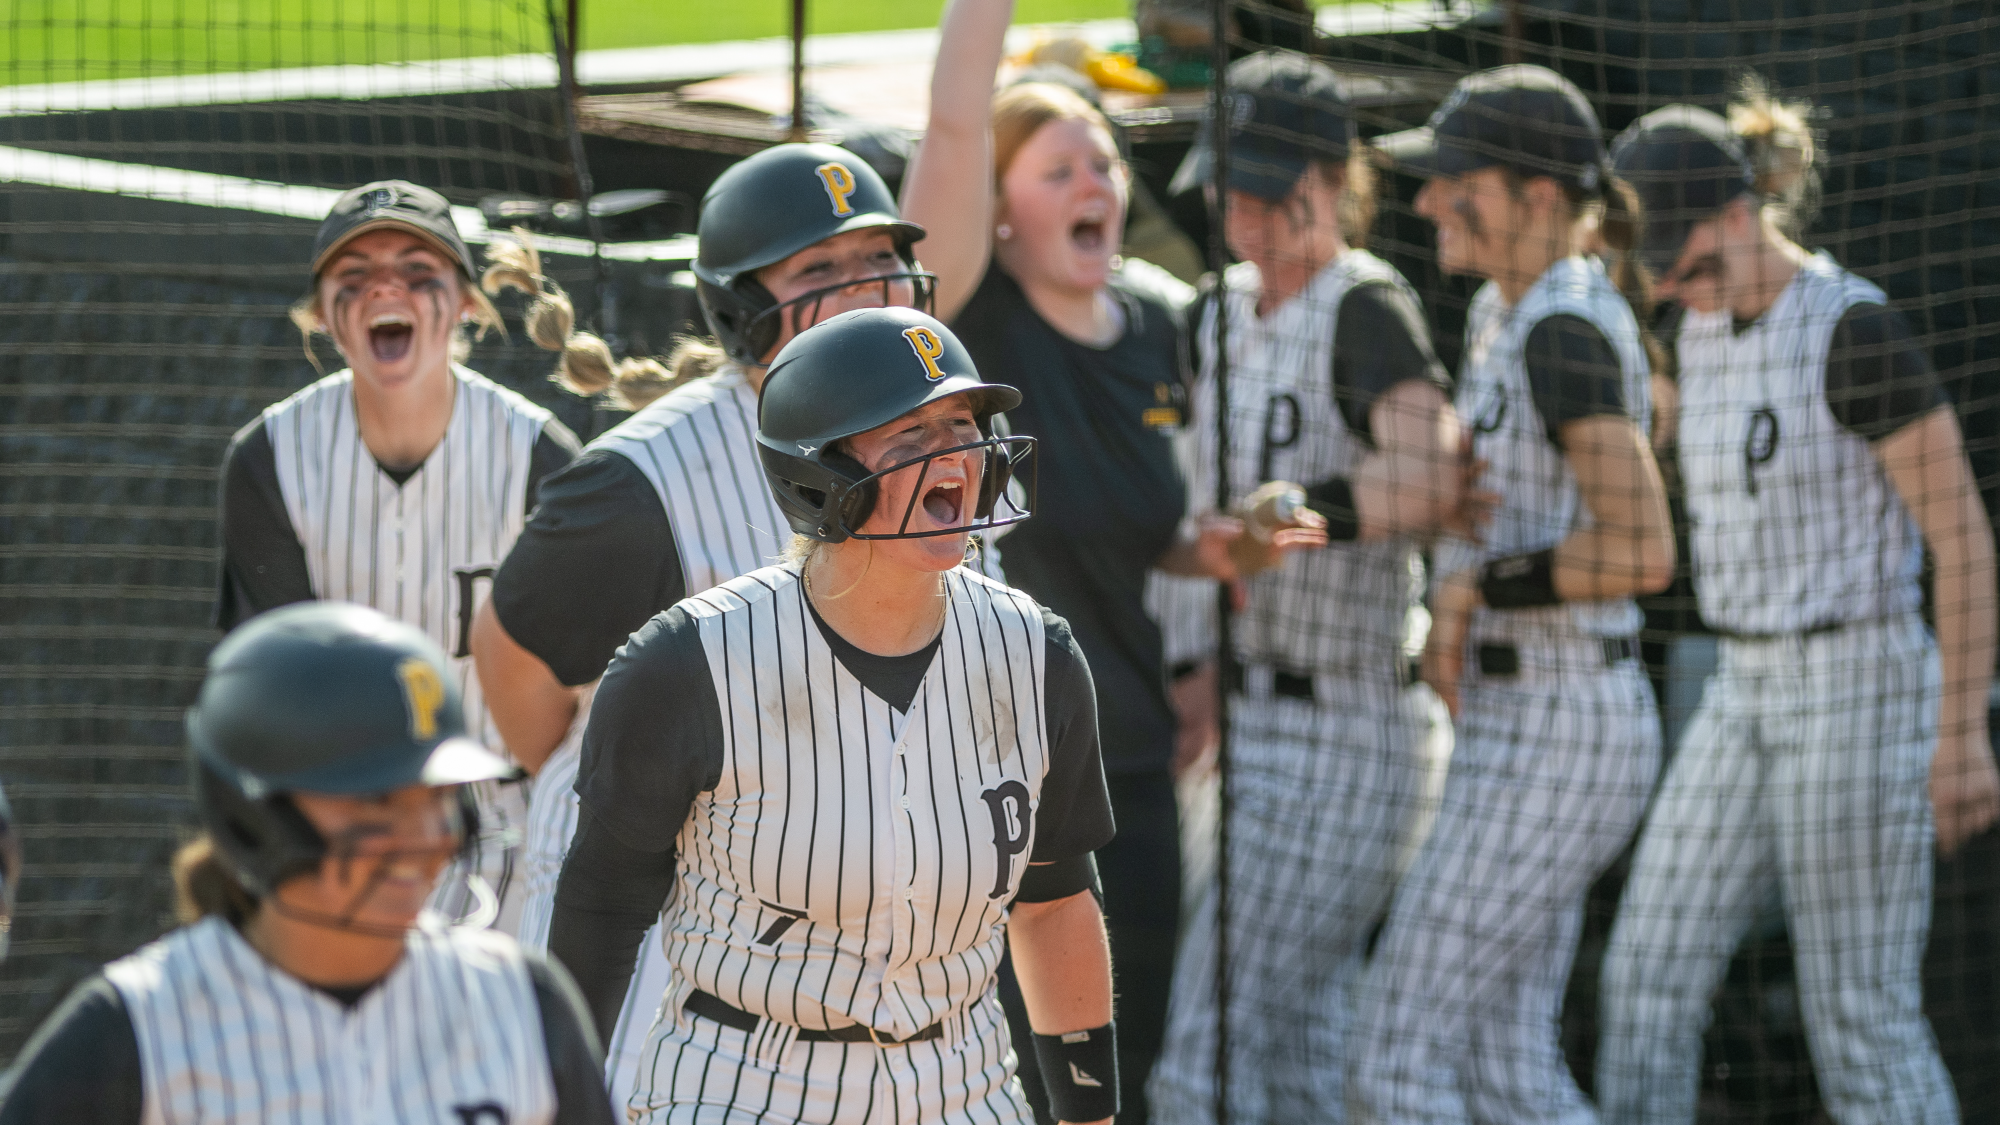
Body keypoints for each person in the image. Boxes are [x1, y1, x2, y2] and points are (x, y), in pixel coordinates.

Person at [544, 308, 1118, 1125]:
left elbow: (1055, 899)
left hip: (965, 1078)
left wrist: (1089, 1116)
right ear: (820, 475)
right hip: (744, 1080)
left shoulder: (1038, 652)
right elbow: (603, 906)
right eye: (911, 434)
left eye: (963, 425)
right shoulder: (687, 663)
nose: (954, 455)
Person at [468, 141, 948, 1101]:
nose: (865, 286)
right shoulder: (641, 481)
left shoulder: (946, 434)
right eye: (820, 267)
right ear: (741, 308)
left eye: (880, 258)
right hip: (657, 925)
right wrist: (601, 769)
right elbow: (510, 658)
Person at [905, 6, 1281, 1118]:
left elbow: (1148, 535)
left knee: (1127, 1057)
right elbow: (953, 127)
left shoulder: (1156, 328)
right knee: (1008, 1069)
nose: (1093, 183)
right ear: (1001, 214)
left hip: (1130, 759)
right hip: (988, 767)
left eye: (1104, 162)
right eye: (1057, 168)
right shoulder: (972, 324)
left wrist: (1225, 548)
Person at [1595, 90, 1997, 1125]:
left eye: (1685, 262)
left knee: (1857, 1014)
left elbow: (1961, 540)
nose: (1671, 288)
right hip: (1742, 682)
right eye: (1657, 273)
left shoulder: (1851, 328)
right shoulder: (1693, 330)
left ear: (1738, 214)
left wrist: (1959, 734)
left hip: (1857, 678)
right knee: (1643, 975)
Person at [1139, 50, 1476, 1125]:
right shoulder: (1212, 311)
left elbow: (1432, 474)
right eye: (1227, 186)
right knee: (1299, 1059)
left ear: (1329, 181)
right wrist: (1192, 663)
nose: (1238, 212)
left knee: (1203, 1061)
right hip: (1248, 710)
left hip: (1348, 720)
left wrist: (1288, 516)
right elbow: (1190, 507)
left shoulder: (1362, 305)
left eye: (1263, 188)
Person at [1348, 65, 1676, 1123]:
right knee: (1505, 1072)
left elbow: (1643, 549)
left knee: (1390, 1064)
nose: (1427, 199)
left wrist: (1475, 589)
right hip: (1524, 711)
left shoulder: (1559, 325)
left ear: (1539, 197)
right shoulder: (1506, 306)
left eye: (1459, 182)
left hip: (1563, 716)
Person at [0, 602, 616, 1124]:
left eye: (437, 796)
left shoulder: (520, 1002)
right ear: (253, 815)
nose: (426, 836)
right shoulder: (140, 1027)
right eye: (376, 799)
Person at [214, 180, 582, 933]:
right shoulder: (271, 457)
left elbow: (588, 689)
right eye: (355, 274)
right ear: (321, 315)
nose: (386, 287)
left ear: (468, 303)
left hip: (518, 820)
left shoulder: (539, 457)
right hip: (344, 820)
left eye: (417, 270)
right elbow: (269, 686)